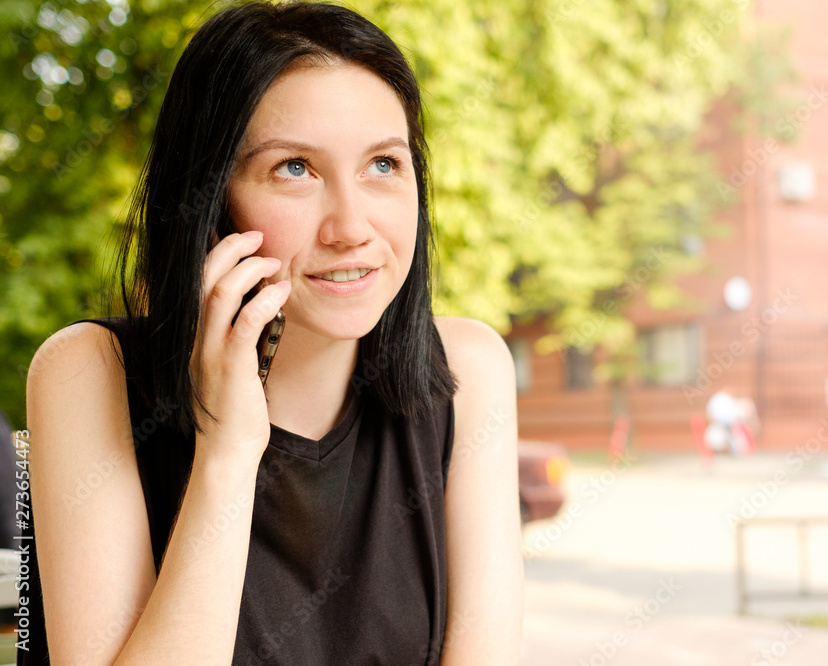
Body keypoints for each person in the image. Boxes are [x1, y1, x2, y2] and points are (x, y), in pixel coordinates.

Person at [22, 2, 523, 664]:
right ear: (210, 201)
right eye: (295, 168)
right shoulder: (89, 373)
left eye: (383, 166)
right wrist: (228, 455)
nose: (350, 227)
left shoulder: (470, 370)